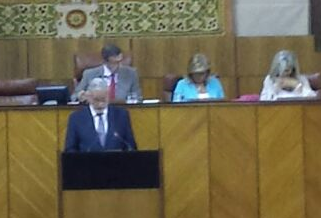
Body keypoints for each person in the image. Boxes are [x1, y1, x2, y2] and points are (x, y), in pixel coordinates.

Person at [65, 78, 137, 152]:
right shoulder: (76, 118)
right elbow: (70, 149)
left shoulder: (121, 115)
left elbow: (131, 146)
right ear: (88, 97)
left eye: (103, 99)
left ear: (108, 96)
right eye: (97, 99)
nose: (100, 103)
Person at [71, 44, 141, 102]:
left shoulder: (131, 73)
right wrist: (81, 96)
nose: (117, 66)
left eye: (119, 63)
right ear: (105, 61)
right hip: (96, 109)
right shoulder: (89, 74)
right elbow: (74, 96)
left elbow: (138, 97)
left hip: (122, 110)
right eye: (114, 63)